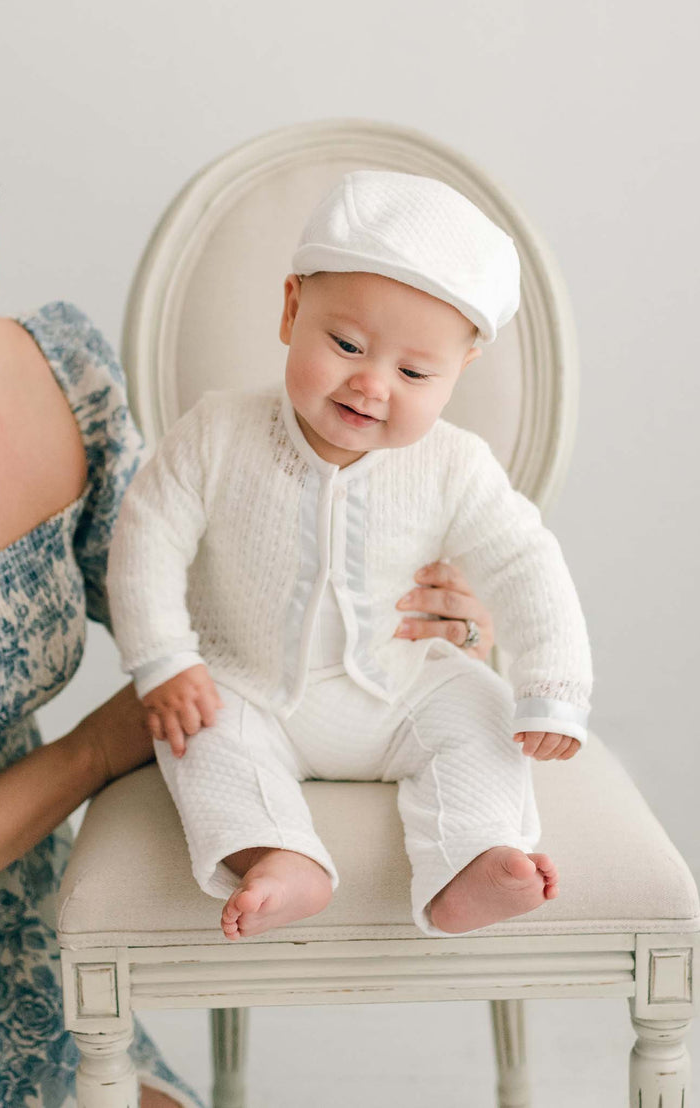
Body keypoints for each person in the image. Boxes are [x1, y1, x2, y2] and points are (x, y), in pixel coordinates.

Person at [0, 8, 498, 1103]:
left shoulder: (60, 374)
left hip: (34, 948)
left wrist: (416, 620)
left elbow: (226, 615)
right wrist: (92, 752)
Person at [109, 170, 593, 943]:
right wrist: (165, 660)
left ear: (457, 373)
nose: (371, 384)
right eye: (346, 344)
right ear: (292, 308)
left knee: (481, 717)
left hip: (399, 692)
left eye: (413, 373)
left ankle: (472, 860)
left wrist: (552, 686)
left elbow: (524, 563)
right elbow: (147, 537)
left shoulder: (454, 465)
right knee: (200, 738)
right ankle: (281, 855)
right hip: (249, 687)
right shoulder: (217, 433)